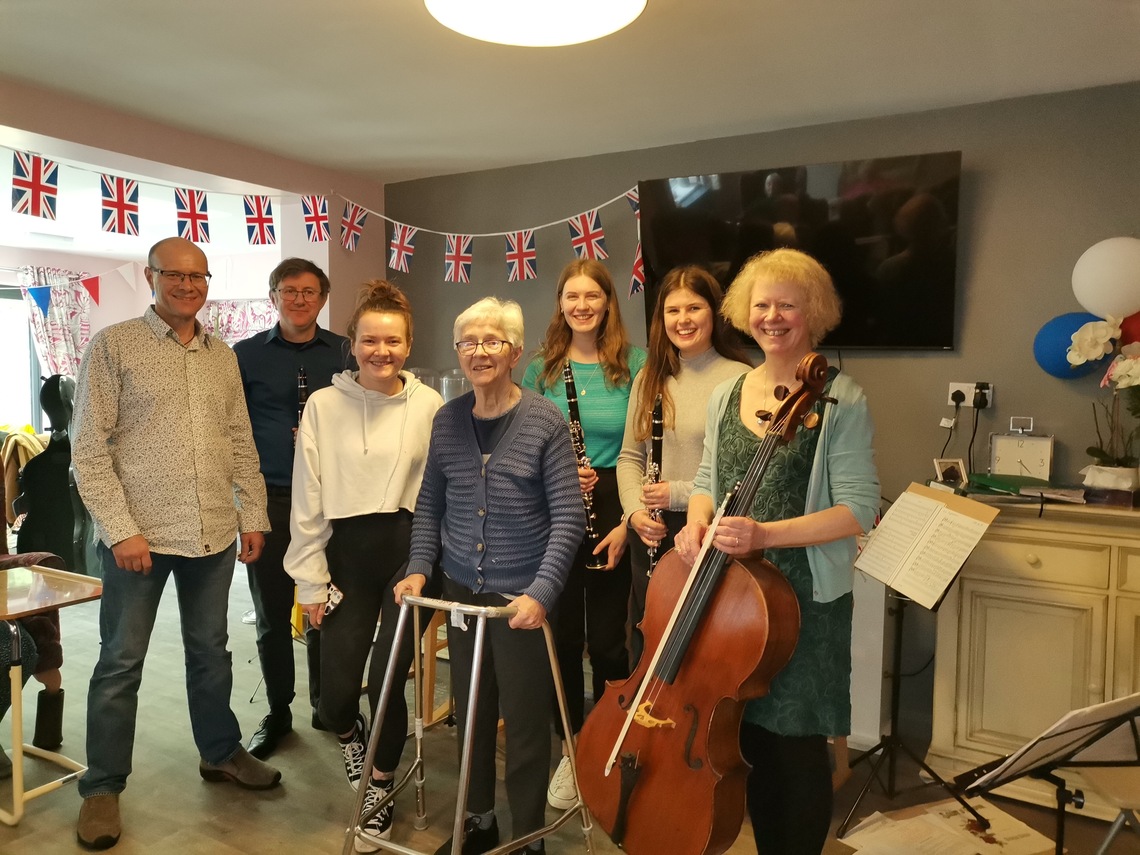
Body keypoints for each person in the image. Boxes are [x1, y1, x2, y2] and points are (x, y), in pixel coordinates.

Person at [71, 237, 278, 851]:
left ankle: (219, 752)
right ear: (151, 276)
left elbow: (240, 437)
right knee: (120, 662)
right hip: (139, 537)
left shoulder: (221, 356)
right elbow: (88, 448)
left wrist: (254, 515)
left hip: (213, 531)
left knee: (211, 651)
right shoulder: (113, 346)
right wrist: (121, 528)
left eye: (198, 276)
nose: (188, 286)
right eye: (175, 275)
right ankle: (103, 787)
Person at [673, 248, 879, 855]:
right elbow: (709, 477)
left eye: (786, 305)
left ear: (811, 313)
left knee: (795, 747)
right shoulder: (728, 391)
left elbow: (857, 510)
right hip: (729, 594)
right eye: (761, 304)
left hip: (802, 601)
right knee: (751, 743)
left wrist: (764, 535)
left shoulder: (843, 399)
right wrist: (696, 521)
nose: (772, 316)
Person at [395, 297, 584, 855]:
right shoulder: (448, 421)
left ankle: (529, 836)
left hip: (520, 600)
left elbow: (569, 518)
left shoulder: (544, 419)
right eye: (468, 342)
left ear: (515, 351)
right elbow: (431, 504)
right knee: (472, 715)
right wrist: (418, 570)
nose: (479, 352)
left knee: (526, 724)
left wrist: (542, 593)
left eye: (492, 341)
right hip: (459, 593)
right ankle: (478, 820)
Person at [284, 280, 442, 849]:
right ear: (352, 343)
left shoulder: (428, 404)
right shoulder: (324, 405)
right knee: (335, 697)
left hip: (410, 554)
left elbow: (442, 486)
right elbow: (308, 495)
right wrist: (309, 578)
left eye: (393, 341)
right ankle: (352, 735)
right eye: (370, 340)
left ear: (408, 344)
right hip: (344, 556)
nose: (382, 351)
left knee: (388, 680)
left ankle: (379, 784)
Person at [521, 258, 646, 811]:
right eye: (571, 296)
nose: (581, 305)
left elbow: (643, 450)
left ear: (608, 302)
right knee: (565, 639)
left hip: (617, 507)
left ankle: (611, 743)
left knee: (611, 642)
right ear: (561, 303)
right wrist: (559, 470)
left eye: (591, 296)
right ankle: (572, 749)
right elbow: (522, 439)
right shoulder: (542, 369)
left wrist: (624, 518)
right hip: (557, 508)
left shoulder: (637, 364)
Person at [233, 257, 355, 759]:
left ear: (323, 298)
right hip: (271, 498)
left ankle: (327, 705)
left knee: (325, 607)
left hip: (333, 499)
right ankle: (278, 710)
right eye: (289, 291)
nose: (299, 299)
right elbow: (232, 428)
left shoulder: (348, 352)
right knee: (271, 614)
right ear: (273, 296)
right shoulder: (244, 355)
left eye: (309, 291)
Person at [615, 265, 751, 665]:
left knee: (694, 651)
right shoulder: (648, 377)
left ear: (715, 313)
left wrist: (675, 492)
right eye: (673, 311)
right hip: (651, 532)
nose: (683, 320)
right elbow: (629, 458)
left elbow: (735, 477)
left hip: (702, 533)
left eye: (694, 308)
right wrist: (634, 513)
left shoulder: (740, 379)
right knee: (645, 640)